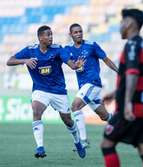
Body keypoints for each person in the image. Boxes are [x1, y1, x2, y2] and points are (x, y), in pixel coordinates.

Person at [6, 25, 86, 159]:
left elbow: (70, 63)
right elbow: (9, 61)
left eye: (51, 34)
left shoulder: (57, 49)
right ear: (40, 37)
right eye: (47, 35)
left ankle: (78, 141)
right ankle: (40, 147)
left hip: (58, 91)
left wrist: (75, 65)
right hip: (40, 89)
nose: (50, 37)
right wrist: (25, 60)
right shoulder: (30, 51)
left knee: (67, 120)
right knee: (36, 110)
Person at [100, 9, 143, 167]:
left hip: (133, 106)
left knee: (107, 144)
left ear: (129, 23)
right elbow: (138, 76)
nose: (120, 26)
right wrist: (116, 92)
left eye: (121, 22)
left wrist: (126, 103)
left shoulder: (132, 45)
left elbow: (133, 74)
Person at [64, 23, 118, 148]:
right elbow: (67, 61)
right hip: (84, 86)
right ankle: (121, 123)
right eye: (75, 32)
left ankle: (83, 141)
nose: (78, 34)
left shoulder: (91, 46)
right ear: (70, 34)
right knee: (104, 116)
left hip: (93, 83)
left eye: (80, 31)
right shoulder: (68, 49)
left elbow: (106, 60)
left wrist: (118, 71)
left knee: (75, 106)